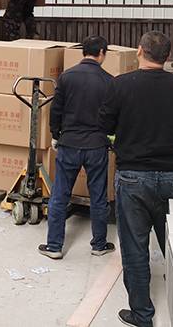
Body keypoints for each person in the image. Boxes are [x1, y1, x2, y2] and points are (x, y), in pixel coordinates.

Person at [99, 31, 173, 327]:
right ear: (167, 57)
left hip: (133, 177)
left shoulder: (121, 84)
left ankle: (142, 314)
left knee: (135, 248)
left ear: (139, 51)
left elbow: (105, 124)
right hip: (171, 175)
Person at [38, 36, 115, 260]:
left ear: (84, 52)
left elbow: (56, 110)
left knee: (60, 195)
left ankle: (54, 246)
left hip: (69, 144)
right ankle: (99, 244)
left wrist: (55, 135)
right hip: (97, 146)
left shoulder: (66, 76)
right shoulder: (109, 81)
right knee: (98, 196)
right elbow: (112, 116)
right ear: (102, 53)